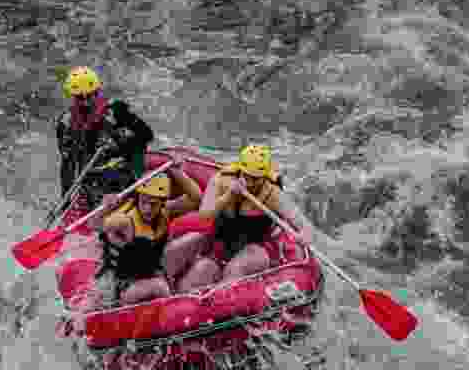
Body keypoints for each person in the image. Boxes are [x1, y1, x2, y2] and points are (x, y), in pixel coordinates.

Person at [88, 156, 202, 309]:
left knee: (196, 238)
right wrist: (105, 208)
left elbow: (195, 198)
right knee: (159, 288)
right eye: (144, 202)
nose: (147, 209)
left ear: (162, 203)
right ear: (138, 197)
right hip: (121, 282)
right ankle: (169, 308)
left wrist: (177, 172)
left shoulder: (166, 211)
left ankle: (172, 284)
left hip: (150, 270)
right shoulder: (124, 220)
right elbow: (95, 225)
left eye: (153, 204)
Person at [194, 145, 315, 282]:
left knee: (235, 269)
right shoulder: (221, 180)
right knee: (199, 272)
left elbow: (303, 224)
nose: (250, 183)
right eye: (247, 176)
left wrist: (305, 234)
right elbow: (204, 215)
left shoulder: (272, 193)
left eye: (256, 179)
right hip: (223, 242)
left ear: (265, 176)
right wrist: (229, 195)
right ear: (240, 170)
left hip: (258, 247)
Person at [55, 66, 155, 218]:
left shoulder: (117, 112)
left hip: (122, 177)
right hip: (92, 182)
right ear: (73, 97)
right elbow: (67, 164)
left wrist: (119, 142)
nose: (87, 102)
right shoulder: (66, 123)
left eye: (91, 96)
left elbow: (147, 136)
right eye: (80, 98)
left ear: (97, 92)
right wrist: (65, 200)